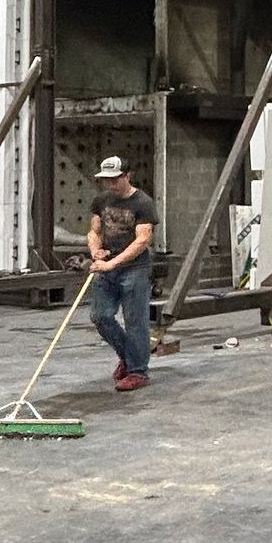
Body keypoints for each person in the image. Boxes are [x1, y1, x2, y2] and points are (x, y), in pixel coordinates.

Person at [88, 154, 158, 392]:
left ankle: (138, 371)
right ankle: (129, 358)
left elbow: (143, 240)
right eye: (107, 180)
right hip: (108, 268)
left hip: (134, 270)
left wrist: (113, 263)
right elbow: (94, 231)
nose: (111, 184)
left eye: (116, 179)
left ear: (128, 176)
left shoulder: (142, 203)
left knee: (135, 322)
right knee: (100, 316)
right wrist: (96, 251)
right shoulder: (102, 200)